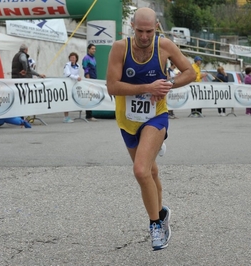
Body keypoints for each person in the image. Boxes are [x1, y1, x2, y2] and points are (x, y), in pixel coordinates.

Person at [106, 7, 195, 250]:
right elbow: (112, 86)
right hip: (127, 120)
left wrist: (168, 84)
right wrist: (147, 88)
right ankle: (162, 213)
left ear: (156, 27)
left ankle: (156, 224)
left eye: (149, 31)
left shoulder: (165, 46)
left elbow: (190, 72)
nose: (144, 37)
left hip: (156, 116)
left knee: (140, 171)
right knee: (151, 172)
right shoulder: (119, 48)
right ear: (131, 27)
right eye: (139, 31)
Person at [63, 52, 82, 123]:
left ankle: (69, 116)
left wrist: (77, 78)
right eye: (71, 57)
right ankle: (65, 117)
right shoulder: (67, 65)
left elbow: (77, 74)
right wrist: (76, 77)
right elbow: (68, 74)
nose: (72, 59)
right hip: (67, 84)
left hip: (73, 84)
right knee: (66, 100)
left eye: (74, 58)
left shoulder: (78, 66)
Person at [82, 43, 98, 121]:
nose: (94, 50)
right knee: (89, 96)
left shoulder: (93, 58)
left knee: (91, 97)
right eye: (92, 49)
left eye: (94, 49)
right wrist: (88, 78)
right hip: (89, 78)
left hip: (94, 77)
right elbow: (85, 68)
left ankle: (90, 114)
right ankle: (88, 115)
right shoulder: (86, 58)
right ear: (89, 49)